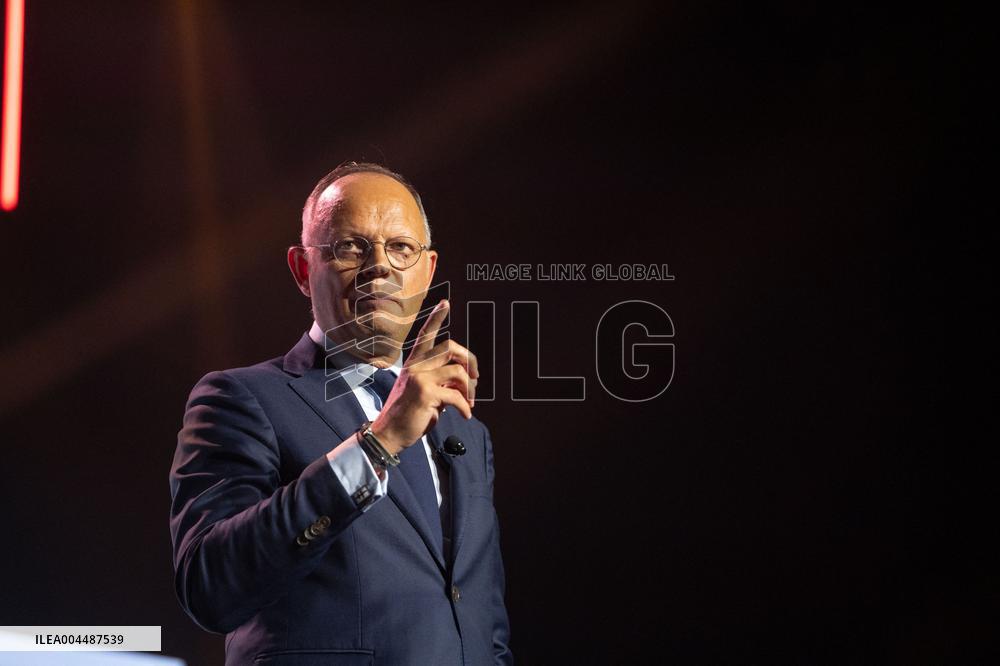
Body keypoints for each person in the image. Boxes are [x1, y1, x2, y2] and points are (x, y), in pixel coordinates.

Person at [169, 162, 512, 665]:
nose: (381, 265)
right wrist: (379, 442)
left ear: (428, 269)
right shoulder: (239, 398)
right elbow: (211, 585)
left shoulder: (465, 429)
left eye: (401, 247)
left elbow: (483, 620)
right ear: (304, 270)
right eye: (351, 246)